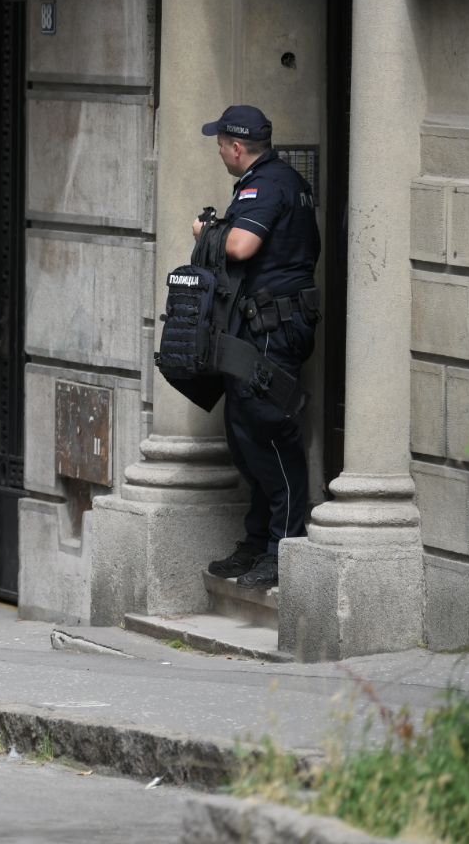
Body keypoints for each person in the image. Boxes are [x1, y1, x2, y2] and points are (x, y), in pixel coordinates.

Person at [198, 106, 321, 591]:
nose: (220, 151)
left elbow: (244, 245)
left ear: (236, 146)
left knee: (269, 429)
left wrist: (207, 233)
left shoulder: (267, 183)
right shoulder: (271, 179)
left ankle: (283, 546)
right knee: (244, 431)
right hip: (258, 323)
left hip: (273, 326)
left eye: (221, 144)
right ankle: (257, 540)